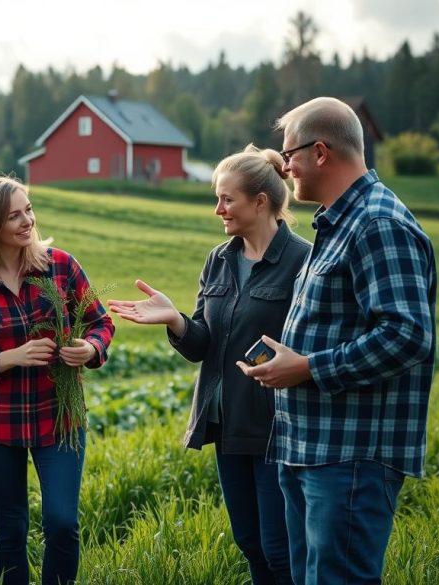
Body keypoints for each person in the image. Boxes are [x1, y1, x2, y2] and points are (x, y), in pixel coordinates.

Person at [236, 97, 437, 584]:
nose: (284, 168)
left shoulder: (377, 224)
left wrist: (306, 368)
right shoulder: (337, 221)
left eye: (290, 155)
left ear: (321, 152)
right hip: (310, 447)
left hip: (349, 456)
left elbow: (407, 335)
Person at [108, 145, 309, 585]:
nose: (218, 209)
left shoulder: (303, 262)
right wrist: (176, 320)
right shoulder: (218, 260)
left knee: (281, 548)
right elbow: (203, 345)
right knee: (250, 543)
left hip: (279, 425)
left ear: (260, 201)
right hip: (225, 422)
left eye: (227, 199)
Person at [0, 175, 114, 585]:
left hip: (59, 418)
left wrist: (90, 349)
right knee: (10, 527)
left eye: (29, 210)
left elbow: (100, 322)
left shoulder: (60, 266)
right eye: (14, 216)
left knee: (61, 522)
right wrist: (6, 359)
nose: (27, 221)